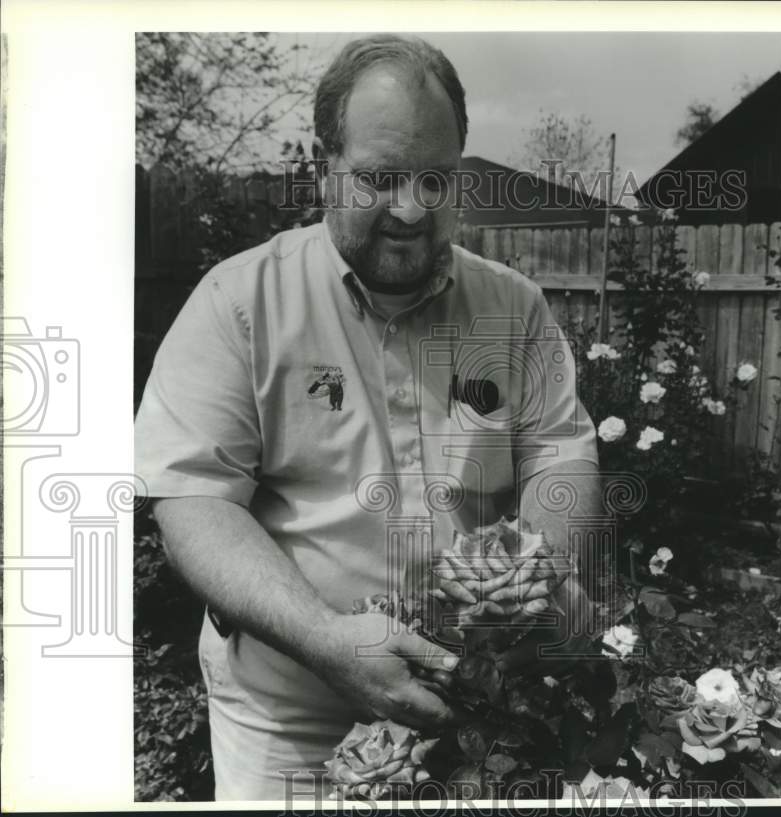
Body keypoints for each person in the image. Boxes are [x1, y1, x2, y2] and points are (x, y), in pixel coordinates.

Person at [135, 34, 602, 801]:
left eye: (435, 179)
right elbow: (191, 499)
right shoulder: (239, 303)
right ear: (326, 165)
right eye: (383, 177)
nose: (412, 209)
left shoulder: (512, 308)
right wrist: (328, 642)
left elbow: (560, 453)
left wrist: (539, 573)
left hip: (474, 710)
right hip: (290, 722)